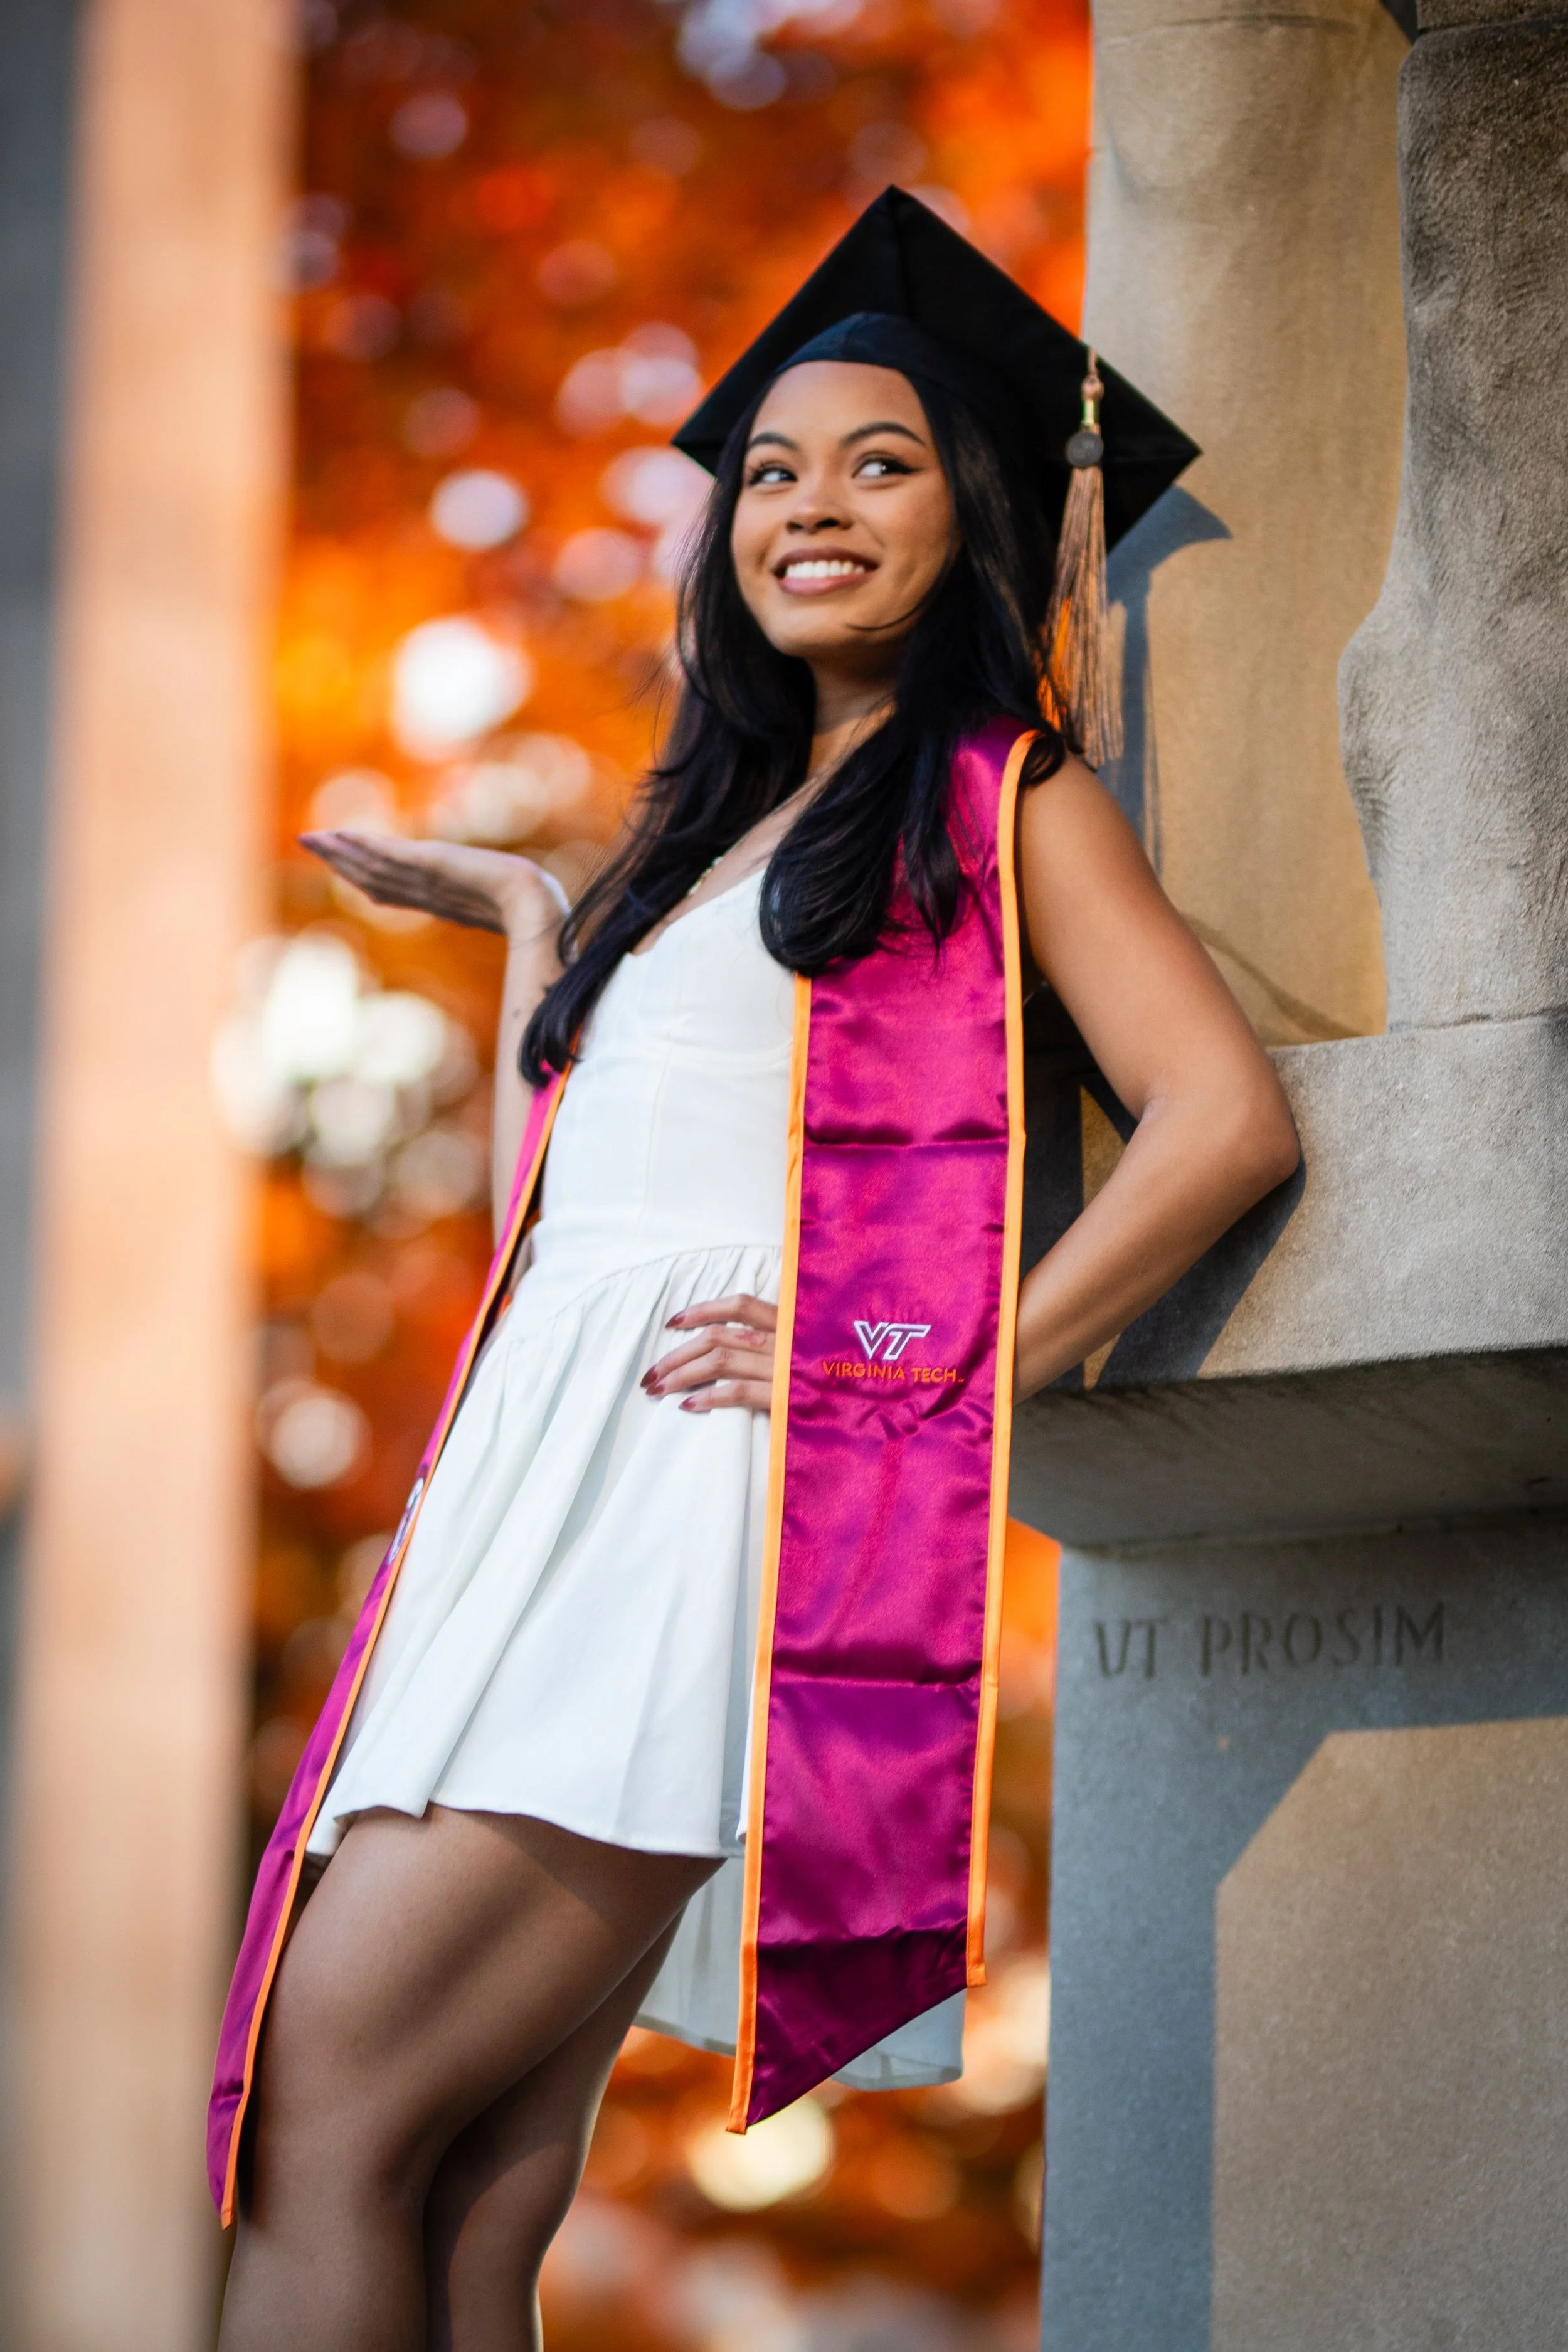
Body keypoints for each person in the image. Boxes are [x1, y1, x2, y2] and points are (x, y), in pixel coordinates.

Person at [213, 192, 1298, 2351]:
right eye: (772, 471)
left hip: (690, 1516)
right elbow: (577, 1206)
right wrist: (541, 919)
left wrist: (933, 1367)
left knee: (320, 2113)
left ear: (967, 510)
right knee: (442, 2197)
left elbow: (1223, 1119)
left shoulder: (991, 796)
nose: (808, 506)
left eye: (876, 462)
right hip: (537, 1489)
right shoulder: (706, 833)